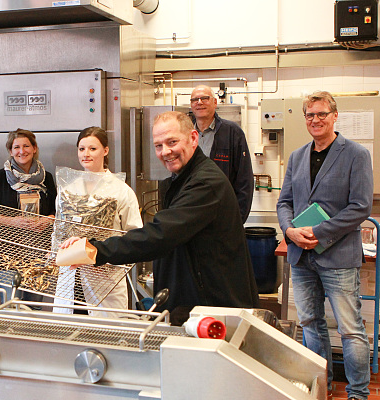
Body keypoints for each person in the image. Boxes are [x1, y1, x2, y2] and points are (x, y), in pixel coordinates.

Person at [61, 111, 259, 325]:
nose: (166, 151)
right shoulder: (179, 180)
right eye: (158, 145)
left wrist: (95, 250)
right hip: (192, 303)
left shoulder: (205, 183)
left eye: (172, 142)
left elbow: (160, 235)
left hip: (213, 308)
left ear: (193, 138)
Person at [277, 91, 372, 400]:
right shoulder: (297, 156)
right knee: (309, 323)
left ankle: (358, 393)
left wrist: (318, 231)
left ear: (334, 116)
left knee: (349, 328)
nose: (315, 120)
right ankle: (322, 387)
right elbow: (284, 202)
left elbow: (360, 207)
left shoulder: (356, 154)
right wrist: (290, 231)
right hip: (301, 256)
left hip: (338, 257)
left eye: (321, 114)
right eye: (309, 115)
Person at [53, 127, 142, 317]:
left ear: (106, 150)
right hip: (70, 277)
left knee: (106, 337)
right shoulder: (67, 190)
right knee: (67, 338)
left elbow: (135, 237)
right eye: (81, 149)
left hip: (105, 278)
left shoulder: (121, 191)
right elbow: (57, 231)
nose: (86, 154)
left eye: (93, 149)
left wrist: (106, 256)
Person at [0, 128, 57, 302]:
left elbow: (57, 211)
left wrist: (48, 220)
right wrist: (14, 222)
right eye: (16, 147)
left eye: (26, 146)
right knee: (11, 305)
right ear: (10, 151)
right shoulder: (0, 177)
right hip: (8, 254)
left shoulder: (46, 178)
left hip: (39, 252)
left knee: (35, 306)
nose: (22, 151)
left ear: (34, 148)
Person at [190, 85, 254, 223]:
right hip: (190, 213)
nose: (199, 102)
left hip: (222, 215)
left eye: (204, 98)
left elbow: (244, 180)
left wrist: (237, 219)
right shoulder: (185, 133)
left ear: (215, 102)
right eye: (195, 99)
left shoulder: (232, 132)